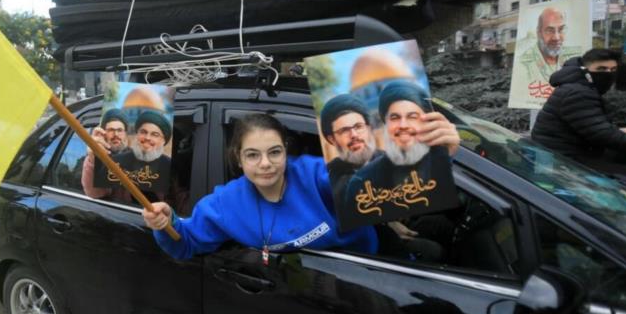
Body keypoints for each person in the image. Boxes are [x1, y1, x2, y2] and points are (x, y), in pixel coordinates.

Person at [142, 113, 378, 262]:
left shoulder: (317, 175)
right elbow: (186, 242)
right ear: (238, 157)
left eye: (274, 152)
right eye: (253, 155)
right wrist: (164, 223)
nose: (266, 164)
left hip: (367, 277)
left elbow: (376, 185)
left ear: (286, 149)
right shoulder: (226, 203)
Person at [322, 89, 460, 260]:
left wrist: (446, 153)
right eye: (344, 131)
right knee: (432, 251)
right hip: (374, 244)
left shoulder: (385, 157)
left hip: (400, 220)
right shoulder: (332, 179)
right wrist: (387, 226)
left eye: (358, 127)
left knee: (441, 225)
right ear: (331, 139)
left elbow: (425, 181)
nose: (354, 135)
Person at [531, 48, 626, 178]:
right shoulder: (578, 93)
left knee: (622, 153)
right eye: (601, 69)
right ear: (585, 70)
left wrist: (619, 131)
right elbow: (602, 134)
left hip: (566, 154)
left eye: (613, 70)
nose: (608, 74)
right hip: (562, 163)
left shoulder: (578, 87)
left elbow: (592, 126)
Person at [517, 7, 582, 89]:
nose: (557, 37)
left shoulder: (577, 57)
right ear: (539, 33)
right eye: (549, 30)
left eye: (561, 29)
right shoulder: (522, 64)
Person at [110, 110, 172, 193]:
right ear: (137, 134)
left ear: (163, 141)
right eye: (143, 132)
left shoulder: (170, 167)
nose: (147, 138)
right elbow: (98, 193)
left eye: (155, 135)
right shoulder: (116, 162)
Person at [81, 108, 130, 199]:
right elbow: (95, 192)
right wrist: (93, 158)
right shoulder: (96, 159)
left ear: (125, 134)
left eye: (120, 130)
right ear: (103, 134)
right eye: (111, 130)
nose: (116, 134)